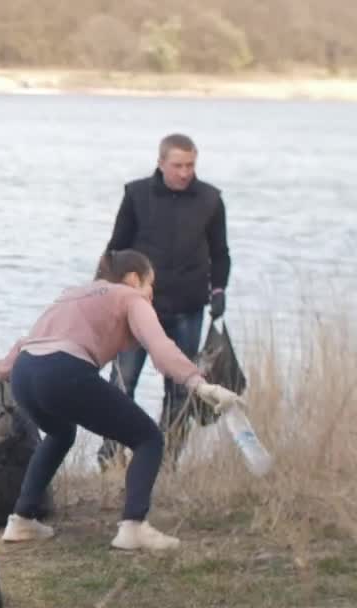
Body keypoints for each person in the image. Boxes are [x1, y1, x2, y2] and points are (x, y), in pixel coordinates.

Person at [0, 250, 240, 551]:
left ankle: (21, 520)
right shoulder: (130, 297)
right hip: (63, 371)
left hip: (24, 372)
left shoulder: (72, 294)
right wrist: (199, 384)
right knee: (148, 439)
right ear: (132, 279)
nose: (151, 294)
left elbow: (28, 341)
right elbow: (160, 346)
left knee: (61, 434)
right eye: (150, 285)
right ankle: (134, 526)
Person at [98, 133, 231, 467]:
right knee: (122, 383)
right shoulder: (137, 194)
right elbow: (116, 248)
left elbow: (220, 253)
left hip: (188, 308)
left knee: (181, 387)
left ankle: (166, 458)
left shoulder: (210, 200)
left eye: (190, 165)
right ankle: (112, 455)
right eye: (178, 165)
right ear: (161, 163)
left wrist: (219, 291)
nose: (185, 172)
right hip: (137, 308)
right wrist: (102, 291)